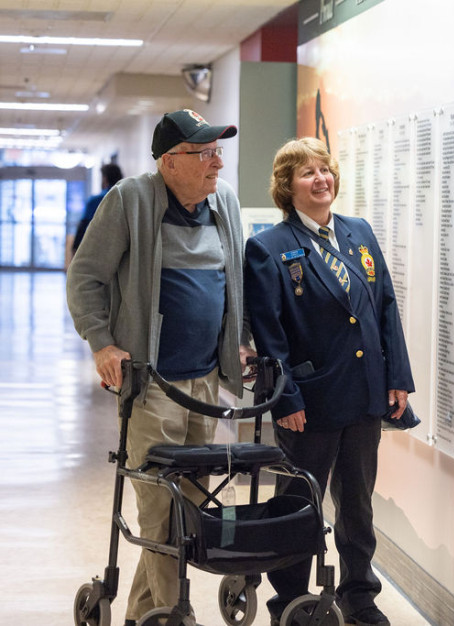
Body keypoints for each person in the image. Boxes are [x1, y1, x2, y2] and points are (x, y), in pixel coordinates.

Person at [66, 109, 253, 626]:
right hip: (151, 386)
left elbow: (235, 282)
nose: (217, 162)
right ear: (170, 162)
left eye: (218, 151)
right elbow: (85, 277)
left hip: (206, 385)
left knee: (189, 512)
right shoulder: (130, 200)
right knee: (159, 511)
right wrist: (102, 343)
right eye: (205, 153)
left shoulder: (225, 201)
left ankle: (142, 617)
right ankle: (177, 615)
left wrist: (242, 342)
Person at [243, 137, 414, 626]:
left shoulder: (359, 233)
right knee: (300, 503)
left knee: (357, 503)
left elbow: (385, 308)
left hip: (364, 393)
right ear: (286, 187)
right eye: (307, 173)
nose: (321, 179)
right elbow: (269, 331)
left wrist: (396, 377)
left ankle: (359, 596)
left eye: (325, 170)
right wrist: (285, 397)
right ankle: (290, 601)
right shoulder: (268, 248)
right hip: (309, 400)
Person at [72, 162, 124, 254]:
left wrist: (75, 248)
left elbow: (83, 226)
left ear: (105, 179)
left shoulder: (95, 201)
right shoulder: (127, 199)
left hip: (96, 250)